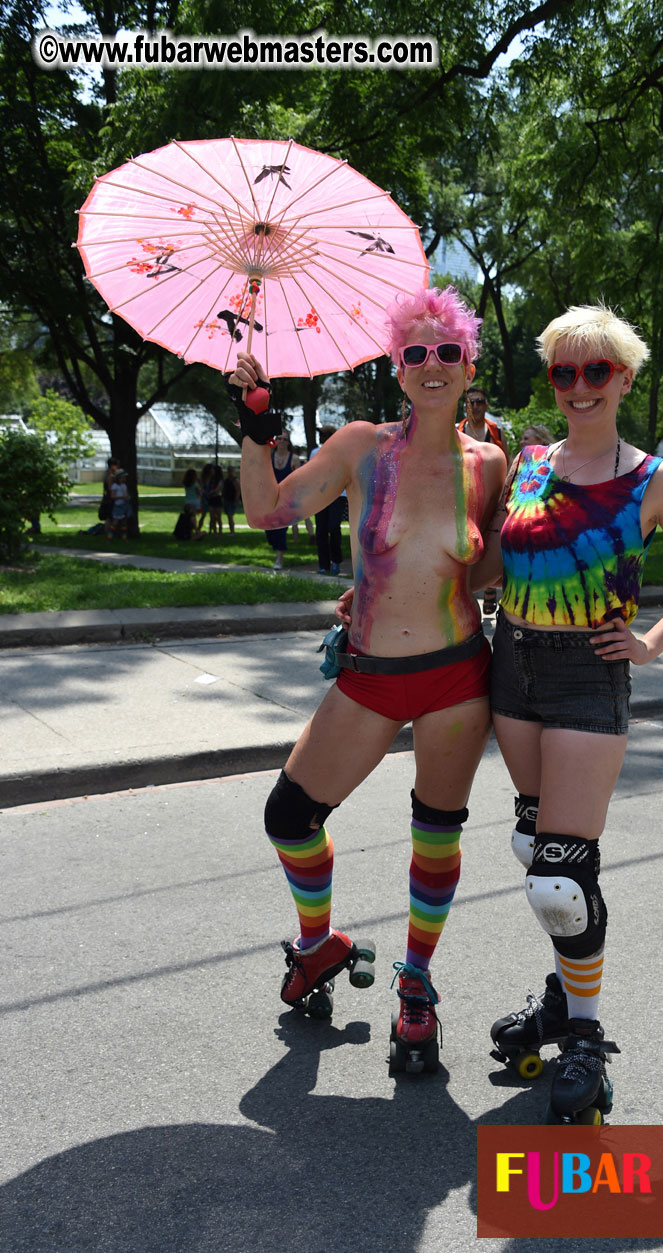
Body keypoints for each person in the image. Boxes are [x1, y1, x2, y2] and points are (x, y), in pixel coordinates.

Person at [228, 286, 505, 1065]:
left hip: (456, 677)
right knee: (289, 816)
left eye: (446, 351)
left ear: (466, 363)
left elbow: (484, 570)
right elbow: (266, 511)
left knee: (435, 832)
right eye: (414, 352)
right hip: (369, 675)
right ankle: (317, 943)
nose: (431, 364)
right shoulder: (361, 447)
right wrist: (256, 431)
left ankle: (416, 980)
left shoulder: (487, 463)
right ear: (396, 366)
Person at [481, 303, 663, 1122]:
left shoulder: (654, 479)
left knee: (560, 875)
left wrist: (652, 643)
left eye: (596, 371)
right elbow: (490, 564)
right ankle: (562, 994)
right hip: (512, 667)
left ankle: (583, 1036)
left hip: (590, 675)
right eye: (564, 371)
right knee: (535, 847)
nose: (579, 386)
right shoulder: (529, 465)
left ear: (623, 377)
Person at [457, 388, 508, 614]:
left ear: (486, 405)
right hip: (463, 493)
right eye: (471, 402)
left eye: (479, 402)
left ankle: (487, 588)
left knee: (488, 539)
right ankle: (472, 588)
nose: (475, 406)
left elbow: (505, 459)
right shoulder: (456, 430)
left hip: (490, 492)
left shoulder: (494, 431)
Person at [310, 425, 346, 575]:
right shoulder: (315, 452)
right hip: (320, 496)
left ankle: (336, 560)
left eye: (324, 434)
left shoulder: (342, 452)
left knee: (333, 526)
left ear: (332, 435)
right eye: (319, 434)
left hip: (338, 495)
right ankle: (324, 565)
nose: (320, 437)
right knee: (321, 531)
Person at [265, 434, 304, 570]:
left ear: (288, 442)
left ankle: (279, 558)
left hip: (286, 498)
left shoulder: (294, 459)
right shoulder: (269, 457)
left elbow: (298, 479)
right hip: (270, 497)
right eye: (279, 439)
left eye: (284, 439)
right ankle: (275, 546)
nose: (281, 441)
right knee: (269, 529)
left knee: (281, 528)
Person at [107, 468, 133, 540]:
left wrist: (127, 497)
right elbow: (113, 496)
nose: (124, 478)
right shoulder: (115, 486)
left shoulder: (124, 485)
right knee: (115, 522)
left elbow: (126, 494)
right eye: (123, 477)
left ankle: (124, 538)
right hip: (118, 505)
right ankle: (109, 537)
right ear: (119, 477)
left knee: (124, 522)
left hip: (125, 504)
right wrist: (122, 497)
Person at [222, 465, 240, 534]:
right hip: (227, 500)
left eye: (231, 471)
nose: (229, 472)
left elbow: (238, 491)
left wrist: (235, 500)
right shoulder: (226, 480)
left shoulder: (235, 480)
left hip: (232, 500)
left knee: (230, 516)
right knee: (229, 517)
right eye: (229, 471)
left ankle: (232, 532)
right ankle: (231, 531)